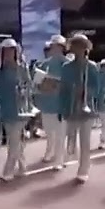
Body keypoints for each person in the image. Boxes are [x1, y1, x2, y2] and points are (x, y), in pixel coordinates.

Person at [56, 33, 100, 183]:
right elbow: (62, 89)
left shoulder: (92, 67)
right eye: (75, 46)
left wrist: (87, 92)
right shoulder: (66, 67)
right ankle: (74, 159)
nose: (77, 49)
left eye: (80, 46)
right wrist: (62, 108)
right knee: (71, 138)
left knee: (85, 140)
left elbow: (96, 87)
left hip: (86, 109)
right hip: (71, 107)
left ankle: (84, 169)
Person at [0, 39, 31, 182]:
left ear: (16, 52)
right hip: (6, 111)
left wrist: (24, 91)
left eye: (12, 51)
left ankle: (8, 171)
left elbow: (29, 86)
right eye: (6, 51)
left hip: (21, 110)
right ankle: (23, 166)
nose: (9, 54)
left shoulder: (22, 69)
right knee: (15, 140)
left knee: (13, 140)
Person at [35, 35, 68, 165]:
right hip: (47, 103)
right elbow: (37, 84)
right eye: (52, 46)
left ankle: (59, 159)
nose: (53, 48)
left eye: (55, 46)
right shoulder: (44, 64)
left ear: (61, 47)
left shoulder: (67, 64)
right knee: (49, 131)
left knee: (60, 133)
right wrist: (43, 86)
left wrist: (57, 84)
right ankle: (49, 151)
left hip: (61, 104)